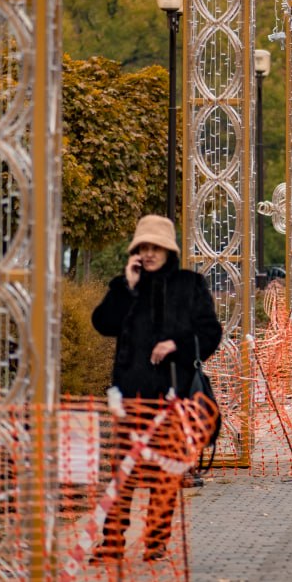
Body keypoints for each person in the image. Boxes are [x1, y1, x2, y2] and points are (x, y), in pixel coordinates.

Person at [90, 214, 223, 562]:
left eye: (155, 247)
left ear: (168, 250)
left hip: (170, 399)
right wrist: (126, 287)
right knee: (122, 473)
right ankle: (112, 541)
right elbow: (102, 323)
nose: (149, 254)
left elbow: (210, 335)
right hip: (129, 399)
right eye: (143, 247)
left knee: (164, 476)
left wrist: (176, 345)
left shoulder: (189, 285)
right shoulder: (128, 286)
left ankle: (155, 542)